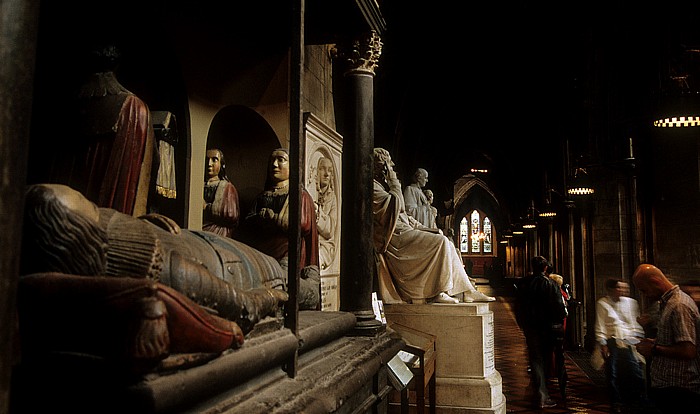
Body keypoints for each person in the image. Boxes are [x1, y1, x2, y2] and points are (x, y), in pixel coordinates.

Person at [20, 183, 289, 338]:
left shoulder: (100, 230)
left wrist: (145, 222)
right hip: (234, 267)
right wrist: (269, 296)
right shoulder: (161, 269)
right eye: (88, 206)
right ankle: (308, 289)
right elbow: (243, 306)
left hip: (203, 241)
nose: (103, 213)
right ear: (80, 233)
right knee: (286, 281)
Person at [372, 148, 494, 304]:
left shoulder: (383, 188)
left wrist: (432, 229)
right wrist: (394, 182)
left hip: (406, 230)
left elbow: (407, 217)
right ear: (381, 166)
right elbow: (398, 207)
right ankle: (437, 291)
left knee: (448, 243)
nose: (393, 166)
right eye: (389, 163)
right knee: (441, 243)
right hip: (395, 238)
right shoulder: (375, 188)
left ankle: (467, 291)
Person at [240, 148, 320, 310]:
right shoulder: (262, 196)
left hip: (287, 252)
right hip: (262, 252)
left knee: (280, 283)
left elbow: (303, 224)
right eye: (272, 161)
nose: (274, 165)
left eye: (281, 160)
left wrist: (273, 218)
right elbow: (247, 222)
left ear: (292, 167)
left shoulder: (299, 195)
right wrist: (259, 218)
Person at [632, 264, 700, 413]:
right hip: (667, 386)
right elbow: (676, 341)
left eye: (644, 290)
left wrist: (654, 349)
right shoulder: (667, 303)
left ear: (656, 282)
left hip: (678, 388)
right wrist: (655, 342)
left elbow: (688, 350)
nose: (644, 295)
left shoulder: (679, 305)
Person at [514, 256, 567, 409]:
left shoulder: (524, 283)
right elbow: (559, 308)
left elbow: (518, 306)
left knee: (535, 359)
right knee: (544, 359)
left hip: (531, 327)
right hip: (547, 328)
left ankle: (540, 394)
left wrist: (522, 323)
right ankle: (544, 395)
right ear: (545, 268)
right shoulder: (551, 284)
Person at [594, 278, 647, 412]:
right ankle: (616, 401)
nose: (623, 291)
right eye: (619, 288)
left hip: (629, 340)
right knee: (613, 373)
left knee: (635, 371)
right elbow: (600, 325)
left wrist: (638, 337)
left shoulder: (631, 303)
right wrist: (603, 343)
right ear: (611, 290)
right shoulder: (602, 303)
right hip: (612, 340)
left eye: (625, 288)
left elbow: (634, 323)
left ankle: (638, 399)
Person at [203, 148, 240, 238]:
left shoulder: (227, 187)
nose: (209, 164)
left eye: (214, 160)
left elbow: (232, 214)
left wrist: (206, 207)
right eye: (206, 160)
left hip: (217, 232)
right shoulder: (199, 184)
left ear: (221, 164)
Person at [315, 156, 338, 271]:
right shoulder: (312, 191)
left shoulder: (332, 198)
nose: (326, 174)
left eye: (329, 170)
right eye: (323, 169)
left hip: (325, 247)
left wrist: (317, 213)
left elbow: (330, 230)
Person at [548, 273, 569, 398]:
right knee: (559, 352)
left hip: (553, 327)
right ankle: (560, 376)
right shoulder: (560, 294)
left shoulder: (554, 294)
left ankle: (556, 373)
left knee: (555, 352)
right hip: (559, 326)